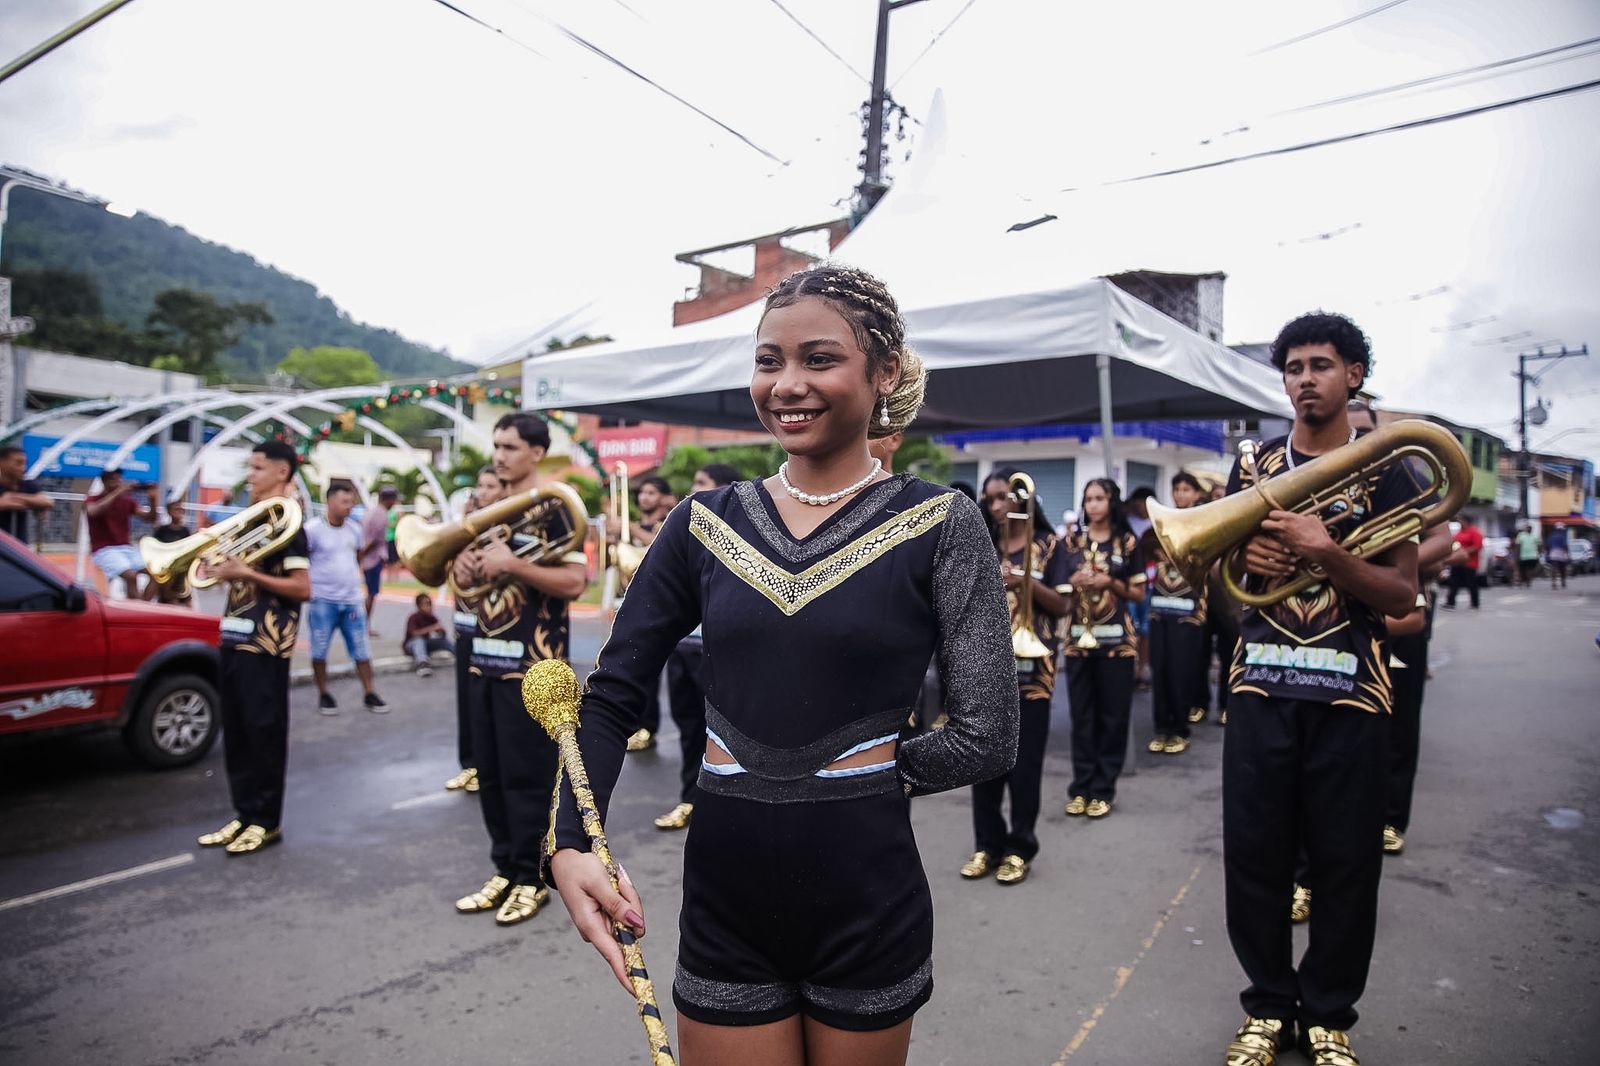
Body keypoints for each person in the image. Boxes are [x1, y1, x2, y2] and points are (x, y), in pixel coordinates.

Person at [546, 264, 1017, 1064]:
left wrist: (862, 773)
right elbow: (612, 695)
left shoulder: (940, 522)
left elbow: (987, 734)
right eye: (770, 361)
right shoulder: (704, 523)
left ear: (885, 372)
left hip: (868, 904)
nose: (788, 384)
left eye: (819, 359)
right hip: (726, 907)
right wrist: (568, 841)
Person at [1220, 312, 1427, 1066]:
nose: (1305, 378)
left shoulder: (1389, 466)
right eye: (1294, 367)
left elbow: (1402, 595)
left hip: (1352, 694)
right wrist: (1253, 571)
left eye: (1321, 365)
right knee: (1255, 858)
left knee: (1345, 861)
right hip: (1261, 686)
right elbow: (1226, 587)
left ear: (1354, 376)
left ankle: (1329, 1014)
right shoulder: (1252, 468)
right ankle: (1269, 1007)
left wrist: (1326, 551)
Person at [451, 412, 588, 926]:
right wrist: (464, 568)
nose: (499, 455)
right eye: (496, 445)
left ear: (535, 452)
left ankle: (534, 879)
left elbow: (575, 582)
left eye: (510, 447)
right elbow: (468, 584)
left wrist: (514, 565)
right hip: (485, 662)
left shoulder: (552, 508)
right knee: (489, 774)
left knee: (529, 780)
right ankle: (504, 869)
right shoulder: (485, 511)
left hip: (534, 672)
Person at [196, 440, 311, 856]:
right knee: (238, 732)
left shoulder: (289, 525)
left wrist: (245, 571)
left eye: (259, 468)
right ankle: (243, 813)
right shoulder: (252, 520)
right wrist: (225, 571)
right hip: (234, 635)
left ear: (282, 472)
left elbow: (302, 588)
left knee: (263, 733)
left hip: (266, 644)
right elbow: (240, 577)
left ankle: (266, 821)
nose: (251, 476)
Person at [961, 466, 1069, 886]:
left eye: (1004, 496)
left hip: (1032, 672)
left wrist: (1022, 580)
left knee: (1025, 767)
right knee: (981, 764)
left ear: (1023, 499)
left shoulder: (1051, 545)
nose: (997, 505)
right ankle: (987, 845)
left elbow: (1061, 607)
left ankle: (1020, 847)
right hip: (985, 670)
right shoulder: (983, 544)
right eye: (990, 499)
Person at [651, 461, 740, 831]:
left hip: (714, 654)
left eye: (700, 482)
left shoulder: (735, 536)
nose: (692, 488)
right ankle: (690, 798)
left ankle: (721, 805)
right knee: (689, 727)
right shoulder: (687, 530)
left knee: (720, 732)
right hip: (683, 648)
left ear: (720, 489)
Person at [1060, 478, 1145, 820]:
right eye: (1088, 498)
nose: (1093, 504)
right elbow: (1060, 592)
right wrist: (1074, 583)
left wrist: (1108, 581)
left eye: (1100, 498)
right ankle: (1080, 786)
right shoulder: (1070, 543)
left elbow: (1139, 594)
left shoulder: (1127, 541)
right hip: (1078, 642)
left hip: (1117, 644)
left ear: (1112, 502)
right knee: (1082, 718)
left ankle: (1103, 788)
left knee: (1112, 717)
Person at [305, 482, 387, 715]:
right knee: (319, 651)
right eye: (344, 502)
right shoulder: (312, 530)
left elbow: (358, 555)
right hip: (323, 600)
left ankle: (370, 692)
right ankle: (324, 694)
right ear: (330, 502)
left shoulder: (354, 530)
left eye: (351, 502)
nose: (349, 507)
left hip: (351, 600)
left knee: (362, 649)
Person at [446, 466, 504, 794]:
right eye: (480, 486)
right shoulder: (465, 528)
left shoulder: (501, 532)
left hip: (493, 629)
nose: (483, 492)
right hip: (464, 624)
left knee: (489, 706)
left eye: (490, 486)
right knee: (466, 699)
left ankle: (487, 766)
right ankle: (469, 764)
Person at [1146, 472, 1210, 756]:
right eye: (1177, 489)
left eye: (1186, 489)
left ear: (1196, 494)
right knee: (1159, 669)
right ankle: (1162, 727)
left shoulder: (1203, 520)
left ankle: (1180, 728)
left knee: (1182, 670)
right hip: (1161, 607)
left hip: (1189, 608)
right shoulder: (1161, 522)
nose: (1181, 494)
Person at [622, 474, 677, 753]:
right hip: (625, 602)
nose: (644, 497)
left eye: (651, 492)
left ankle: (648, 727)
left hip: (655, 606)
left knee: (650, 669)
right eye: (642, 492)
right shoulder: (630, 529)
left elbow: (656, 545)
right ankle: (632, 724)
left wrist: (627, 527)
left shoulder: (665, 523)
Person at [85, 468, 156, 598]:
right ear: (104, 482)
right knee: (130, 576)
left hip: (125, 548)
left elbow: (150, 518)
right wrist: (118, 492)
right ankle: (135, 611)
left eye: (119, 480)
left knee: (156, 574)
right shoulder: (93, 499)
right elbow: (93, 512)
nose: (118, 483)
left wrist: (152, 500)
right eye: (113, 480)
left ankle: (142, 608)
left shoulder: (126, 501)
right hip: (103, 550)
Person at [144, 498, 195, 606]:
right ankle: (144, 604)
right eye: (175, 509)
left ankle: (179, 599)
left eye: (181, 510)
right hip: (165, 567)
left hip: (180, 568)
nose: (179, 512)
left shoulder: (185, 531)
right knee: (156, 578)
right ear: (169, 512)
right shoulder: (161, 530)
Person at [361, 485, 397, 633]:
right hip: (373, 559)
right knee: (371, 593)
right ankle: (364, 626)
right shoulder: (381, 515)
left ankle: (364, 625)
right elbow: (374, 540)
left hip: (369, 559)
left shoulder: (372, 511)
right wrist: (361, 555)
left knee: (370, 593)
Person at [0, 444, 52, 544]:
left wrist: (13, 497)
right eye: (18, 463)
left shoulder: (27, 484)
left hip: (19, 547)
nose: (23, 468)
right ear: (2, 462)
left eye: (24, 463)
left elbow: (47, 501)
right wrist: (30, 502)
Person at [404, 592, 453, 676]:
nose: (429, 607)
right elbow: (414, 634)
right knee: (419, 641)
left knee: (443, 641)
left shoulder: (432, 617)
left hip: (425, 643)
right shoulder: (413, 617)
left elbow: (442, 635)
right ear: (419, 606)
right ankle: (422, 663)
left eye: (430, 604)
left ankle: (462, 656)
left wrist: (441, 631)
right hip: (411, 644)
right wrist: (431, 628)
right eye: (426, 604)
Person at [1443, 514, 1483, 609]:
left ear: (1467, 522)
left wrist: (1465, 551)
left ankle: (1475, 603)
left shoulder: (1474, 532)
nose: (1460, 523)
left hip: (1469, 563)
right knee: (1454, 582)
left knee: (1471, 583)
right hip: (1457, 562)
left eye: (1462, 521)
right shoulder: (1459, 533)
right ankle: (1450, 602)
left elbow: (1477, 546)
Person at [1514, 523, 1540, 587]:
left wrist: (1539, 553)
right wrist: (1517, 555)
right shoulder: (1521, 535)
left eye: (1530, 528)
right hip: (1523, 556)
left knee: (1530, 570)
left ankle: (1528, 581)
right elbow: (1518, 546)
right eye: (1527, 528)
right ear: (1525, 529)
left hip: (1532, 556)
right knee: (1523, 570)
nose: (1528, 529)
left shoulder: (1534, 536)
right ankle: (1523, 582)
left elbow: (1539, 545)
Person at [1546, 522, 1570, 590]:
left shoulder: (1551, 536)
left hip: (1553, 553)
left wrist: (1548, 554)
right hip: (1561, 553)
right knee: (1563, 569)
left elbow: (1548, 546)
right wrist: (1567, 554)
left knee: (1554, 569)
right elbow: (1565, 545)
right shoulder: (1563, 536)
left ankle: (1554, 583)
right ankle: (1563, 581)